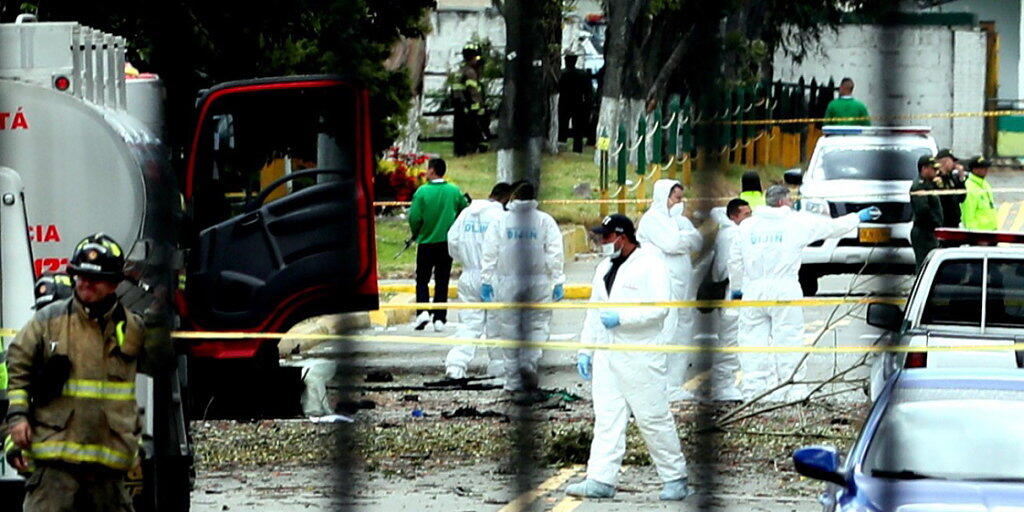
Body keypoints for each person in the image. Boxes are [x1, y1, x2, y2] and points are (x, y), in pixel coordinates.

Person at [6, 233, 146, 511]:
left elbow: (158, 369)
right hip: (56, 464)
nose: (85, 284)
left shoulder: (133, 328)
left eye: (94, 279)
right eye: (80, 276)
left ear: (114, 283)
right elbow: (17, 367)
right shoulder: (49, 320)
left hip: (109, 465)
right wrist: (18, 418)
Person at [566, 214, 690, 501]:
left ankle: (675, 477)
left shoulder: (651, 264)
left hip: (640, 353)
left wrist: (622, 318)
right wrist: (587, 349)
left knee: (653, 417)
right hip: (608, 355)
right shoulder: (604, 267)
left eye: (605, 237)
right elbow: (595, 312)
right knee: (608, 418)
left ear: (621, 237)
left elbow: (660, 309)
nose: (601, 242)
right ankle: (600, 478)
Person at [728, 186, 879, 401]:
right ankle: (793, 389)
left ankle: (754, 391)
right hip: (784, 289)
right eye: (790, 199)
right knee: (788, 339)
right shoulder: (796, 222)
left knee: (752, 342)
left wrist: (736, 288)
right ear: (782, 202)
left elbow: (734, 261)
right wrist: (858, 217)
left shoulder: (747, 226)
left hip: (753, 290)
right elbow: (832, 227)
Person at [481, 181, 565, 391]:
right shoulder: (544, 221)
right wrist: (557, 280)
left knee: (509, 328)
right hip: (538, 283)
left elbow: (489, 251)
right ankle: (529, 362)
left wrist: (486, 279)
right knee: (538, 324)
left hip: (508, 282)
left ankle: (513, 379)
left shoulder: (502, 221)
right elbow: (555, 253)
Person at [635, 179, 702, 401]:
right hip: (662, 286)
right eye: (676, 197)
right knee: (665, 332)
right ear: (664, 196)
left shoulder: (679, 221)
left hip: (682, 286)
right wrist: (685, 239)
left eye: (682, 198)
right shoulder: (652, 220)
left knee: (682, 333)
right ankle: (656, 385)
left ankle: (674, 384)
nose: (680, 202)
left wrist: (684, 238)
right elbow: (672, 244)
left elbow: (698, 240)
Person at [444, 182, 513, 380]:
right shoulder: (501, 217)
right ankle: (498, 367)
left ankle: (456, 366)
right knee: (497, 325)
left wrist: (467, 260)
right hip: (494, 277)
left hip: (469, 275)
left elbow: (452, 241)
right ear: (506, 199)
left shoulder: (467, 213)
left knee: (468, 324)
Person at [408, 158, 468, 331]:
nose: (426, 172)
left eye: (428, 169)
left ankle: (422, 312)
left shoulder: (422, 192)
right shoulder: (454, 191)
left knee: (422, 279)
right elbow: (463, 209)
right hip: (446, 243)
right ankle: (440, 318)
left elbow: (415, 217)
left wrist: (416, 232)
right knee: (442, 280)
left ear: (433, 171)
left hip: (426, 242)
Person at [704, 198, 752, 401]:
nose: (750, 218)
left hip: (740, 291)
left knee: (741, 339)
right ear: (734, 216)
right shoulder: (731, 234)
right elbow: (724, 269)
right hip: (732, 293)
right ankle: (723, 385)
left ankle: (731, 385)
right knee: (730, 340)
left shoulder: (737, 233)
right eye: (746, 214)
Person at [451, 43, 488, 156]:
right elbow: (473, 92)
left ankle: (461, 151)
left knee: (460, 132)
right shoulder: (470, 72)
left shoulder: (460, 71)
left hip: (460, 107)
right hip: (469, 108)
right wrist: (478, 108)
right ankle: (470, 150)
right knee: (472, 132)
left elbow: (455, 92)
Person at [910, 156, 944, 268]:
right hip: (923, 232)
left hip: (929, 231)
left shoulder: (929, 184)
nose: (936, 172)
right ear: (924, 169)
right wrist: (936, 221)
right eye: (933, 169)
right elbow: (923, 210)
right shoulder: (919, 186)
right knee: (924, 265)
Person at [558, 54, 594, 153]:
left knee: (563, 126)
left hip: (564, 104)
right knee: (577, 128)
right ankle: (577, 148)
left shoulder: (561, 74)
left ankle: (562, 145)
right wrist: (588, 105)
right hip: (578, 104)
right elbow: (589, 92)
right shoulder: (582, 74)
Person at [962, 156, 998, 231]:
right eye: (983, 168)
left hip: (991, 231)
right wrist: (973, 234)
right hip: (979, 235)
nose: (986, 170)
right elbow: (968, 215)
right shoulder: (969, 188)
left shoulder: (985, 184)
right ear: (975, 170)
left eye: (986, 167)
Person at [934, 148, 967, 228]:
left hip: (953, 222)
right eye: (953, 161)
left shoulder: (952, 177)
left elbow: (962, 197)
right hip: (942, 222)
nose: (954, 164)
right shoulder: (936, 178)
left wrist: (961, 178)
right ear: (946, 161)